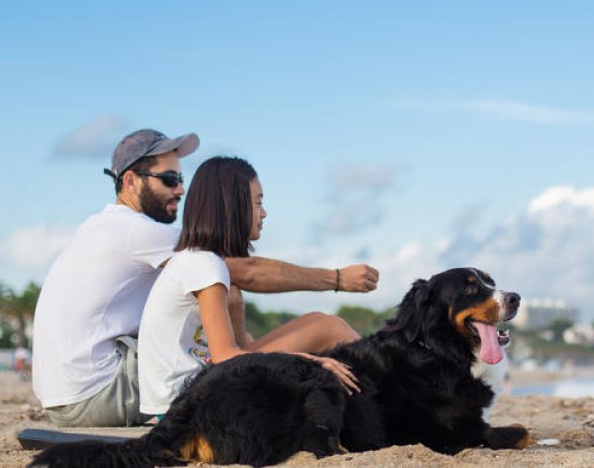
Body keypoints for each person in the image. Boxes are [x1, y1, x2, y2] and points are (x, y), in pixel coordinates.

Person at [32, 129, 379, 427]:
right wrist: (337, 279)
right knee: (316, 329)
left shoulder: (102, 228)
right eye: (169, 179)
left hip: (70, 394)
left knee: (261, 313)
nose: (180, 190)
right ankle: (383, 397)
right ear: (130, 181)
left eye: (181, 179)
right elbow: (247, 270)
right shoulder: (139, 233)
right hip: (99, 393)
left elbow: (230, 284)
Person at [138, 157, 361, 417]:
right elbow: (224, 357)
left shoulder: (197, 259)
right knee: (329, 328)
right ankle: (385, 396)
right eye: (258, 202)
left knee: (318, 320)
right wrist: (310, 361)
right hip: (186, 408)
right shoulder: (205, 266)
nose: (264, 213)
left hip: (186, 397)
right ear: (232, 207)